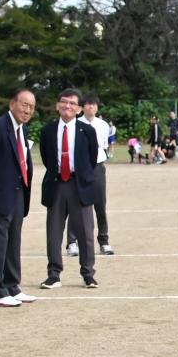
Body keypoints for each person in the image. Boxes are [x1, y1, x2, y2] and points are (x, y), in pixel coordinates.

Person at [39, 87, 101, 291]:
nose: (68, 106)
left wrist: (79, 176)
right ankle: (54, 274)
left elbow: (91, 159)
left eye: (73, 103)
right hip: (56, 184)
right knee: (54, 232)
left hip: (79, 184)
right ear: (57, 105)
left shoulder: (87, 131)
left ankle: (88, 273)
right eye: (64, 102)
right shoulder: (47, 131)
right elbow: (47, 158)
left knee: (85, 232)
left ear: (79, 109)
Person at [0, 88, 37, 308]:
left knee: (14, 241)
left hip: (18, 193)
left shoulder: (23, 129)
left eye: (31, 107)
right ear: (12, 104)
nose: (27, 110)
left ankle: (13, 285)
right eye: (24, 105)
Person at [83, 94, 115, 254]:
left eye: (94, 105)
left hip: (98, 165)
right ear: (82, 107)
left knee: (100, 204)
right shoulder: (77, 123)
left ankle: (104, 240)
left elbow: (103, 145)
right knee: (78, 205)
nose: (91, 107)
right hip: (81, 167)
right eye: (88, 105)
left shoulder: (103, 125)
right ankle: (72, 242)